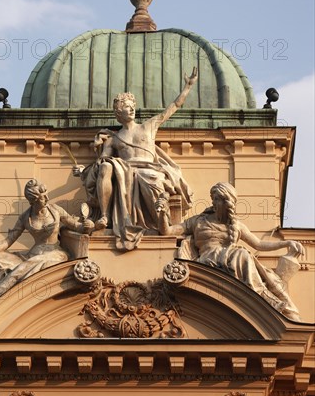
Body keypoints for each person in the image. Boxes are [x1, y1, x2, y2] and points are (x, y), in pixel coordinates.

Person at [73, 67, 198, 251]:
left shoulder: (148, 126)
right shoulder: (113, 139)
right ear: (118, 112)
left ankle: (161, 223)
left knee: (152, 179)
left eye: (132, 106)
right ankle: (105, 216)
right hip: (124, 169)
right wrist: (84, 171)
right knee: (107, 167)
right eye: (125, 107)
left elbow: (172, 108)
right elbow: (101, 162)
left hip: (149, 170)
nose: (130, 109)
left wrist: (187, 87)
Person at [156, 182, 304, 321]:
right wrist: (163, 214)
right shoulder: (198, 221)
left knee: (244, 255)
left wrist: (286, 243)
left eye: (217, 199)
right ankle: (262, 295)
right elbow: (168, 231)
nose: (213, 202)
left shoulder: (236, 225)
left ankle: (261, 294)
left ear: (227, 203)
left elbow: (258, 244)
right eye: (213, 199)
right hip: (205, 263)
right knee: (241, 254)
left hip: (229, 260)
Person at [0, 179, 94, 317]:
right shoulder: (26, 217)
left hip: (55, 253)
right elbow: (9, 240)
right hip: (33, 254)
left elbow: (76, 226)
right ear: (33, 201)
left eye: (46, 195)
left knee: (25, 266)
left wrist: (88, 226)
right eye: (43, 198)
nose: (47, 199)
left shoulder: (55, 210)